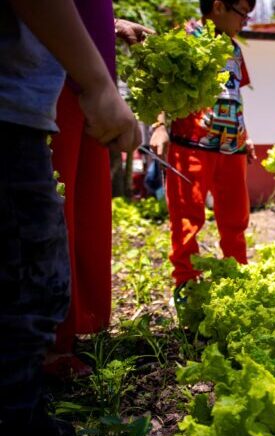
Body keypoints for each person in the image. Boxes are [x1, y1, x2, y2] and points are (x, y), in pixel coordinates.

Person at [0, 0, 140, 436]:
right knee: (29, 290)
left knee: (31, 279)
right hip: (11, 113)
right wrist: (100, 83)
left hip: (21, 108)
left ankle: (25, 423)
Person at [45, 5, 153, 379]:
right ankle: (46, 343)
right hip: (59, 78)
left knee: (82, 210)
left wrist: (112, 25)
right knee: (55, 211)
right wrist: (97, 84)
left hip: (85, 81)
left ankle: (67, 331)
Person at [150, 0, 257, 300]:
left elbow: (234, 95)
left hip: (232, 148)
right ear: (219, 6)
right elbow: (162, 84)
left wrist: (245, 135)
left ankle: (237, 283)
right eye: (242, 14)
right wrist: (159, 126)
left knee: (236, 220)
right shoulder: (184, 37)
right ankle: (187, 286)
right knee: (186, 219)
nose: (245, 22)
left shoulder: (234, 50)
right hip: (191, 146)